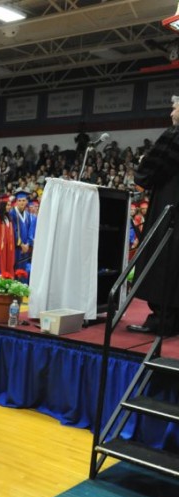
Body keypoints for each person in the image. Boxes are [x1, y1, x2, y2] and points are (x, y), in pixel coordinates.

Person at [128, 95, 179, 335]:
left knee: (164, 258)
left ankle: (161, 320)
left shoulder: (175, 136)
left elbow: (147, 174)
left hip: (169, 207)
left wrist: (141, 167)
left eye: (175, 107)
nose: (172, 113)